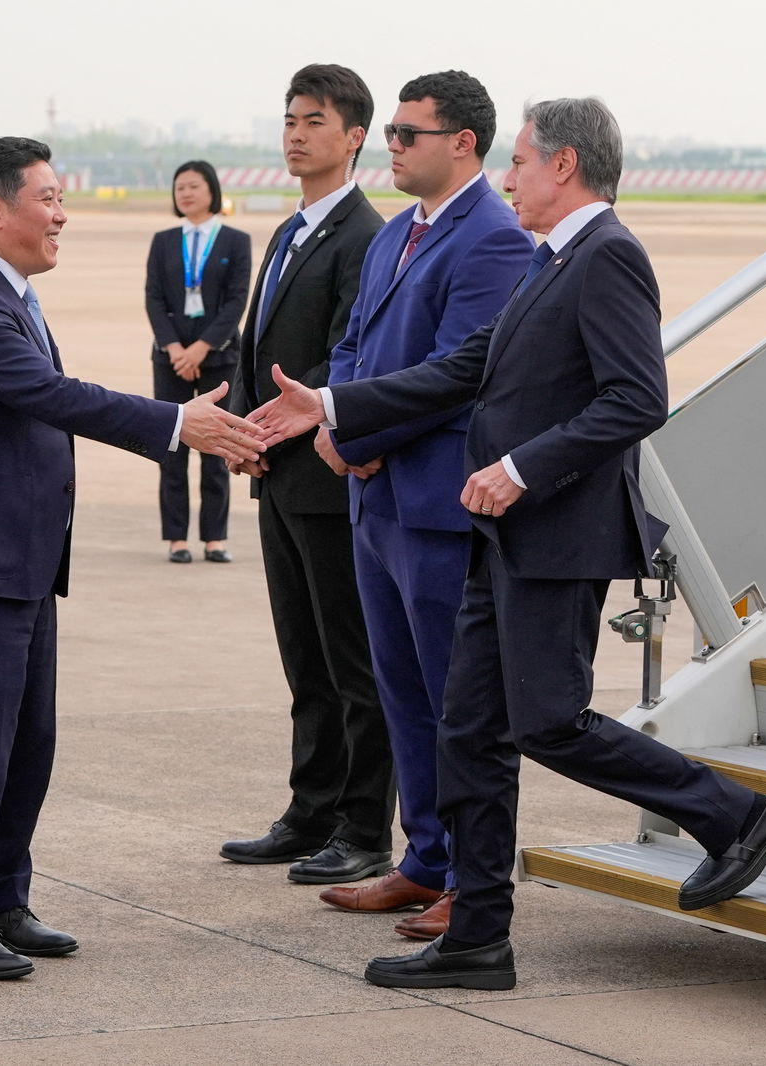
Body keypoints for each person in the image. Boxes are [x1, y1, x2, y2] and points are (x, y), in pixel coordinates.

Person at [253, 97, 766, 991]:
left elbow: (637, 398)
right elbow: (465, 366)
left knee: (549, 723)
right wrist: (335, 404)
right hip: (500, 537)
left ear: (565, 166)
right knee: (469, 729)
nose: (507, 179)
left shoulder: (608, 254)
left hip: (558, 536)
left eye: (520, 162)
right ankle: (478, 937)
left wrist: (520, 469)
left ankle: (735, 816)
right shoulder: (550, 260)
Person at [0, 136, 266, 980]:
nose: (62, 215)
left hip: (20, 562)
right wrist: (175, 422)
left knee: (26, 747)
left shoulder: (8, 292)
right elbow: (51, 395)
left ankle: (2, 899)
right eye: (49, 199)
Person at [314, 71, 534, 940]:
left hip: (436, 506)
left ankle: (473, 882)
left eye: (409, 134)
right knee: (402, 693)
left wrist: (356, 435)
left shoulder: (495, 239)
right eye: (392, 134)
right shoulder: (395, 233)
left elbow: (459, 373)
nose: (393, 147)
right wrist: (341, 429)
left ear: (463, 144)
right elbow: (351, 346)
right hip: (376, 502)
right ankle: (425, 861)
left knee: (458, 704)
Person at [218, 63, 395, 887]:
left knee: (352, 661)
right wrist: (243, 429)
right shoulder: (291, 231)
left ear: (355, 137)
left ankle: (364, 827)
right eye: (290, 119)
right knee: (304, 657)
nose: (295, 134)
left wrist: (276, 424)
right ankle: (310, 809)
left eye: (314, 121)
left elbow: (349, 357)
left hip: (328, 478)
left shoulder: (366, 237)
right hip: (278, 473)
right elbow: (258, 349)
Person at [143, 161, 251, 563]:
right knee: (171, 447)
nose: (186, 193)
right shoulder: (164, 240)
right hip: (169, 358)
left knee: (216, 449)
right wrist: (175, 349)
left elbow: (237, 301)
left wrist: (202, 348)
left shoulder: (235, 240)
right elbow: (154, 297)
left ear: (212, 191)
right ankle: (176, 538)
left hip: (219, 356)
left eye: (193, 186)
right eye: (180, 188)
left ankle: (214, 538)